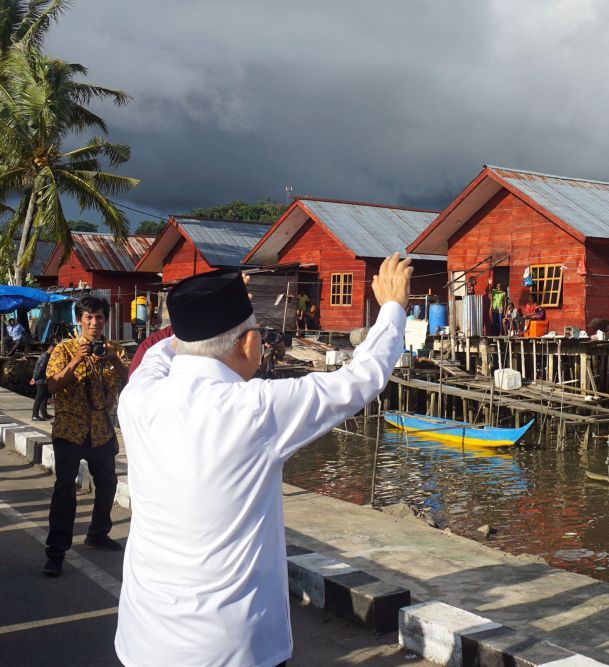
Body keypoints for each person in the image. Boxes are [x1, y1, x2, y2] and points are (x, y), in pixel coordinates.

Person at [114, 255, 412, 667]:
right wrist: (393, 308)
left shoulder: (138, 397)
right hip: (230, 647)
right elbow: (358, 381)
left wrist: (208, 304)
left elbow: (159, 355)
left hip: (145, 637)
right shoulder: (253, 409)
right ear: (249, 344)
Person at [42, 296, 130, 577]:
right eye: (89, 318)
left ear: (106, 320)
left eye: (100, 317)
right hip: (70, 430)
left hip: (102, 431)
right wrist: (78, 359)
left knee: (107, 484)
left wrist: (113, 359)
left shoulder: (114, 350)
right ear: (79, 320)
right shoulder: (64, 349)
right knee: (65, 490)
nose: (94, 323)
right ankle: (56, 552)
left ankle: (97, 533)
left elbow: (134, 381)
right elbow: (53, 386)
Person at [30, 344, 54, 421]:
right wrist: (34, 378)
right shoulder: (45, 357)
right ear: (52, 349)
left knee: (45, 397)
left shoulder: (45, 356)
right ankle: (35, 415)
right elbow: (40, 369)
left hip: (43, 380)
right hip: (41, 380)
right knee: (39, 398)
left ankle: (44, 413)